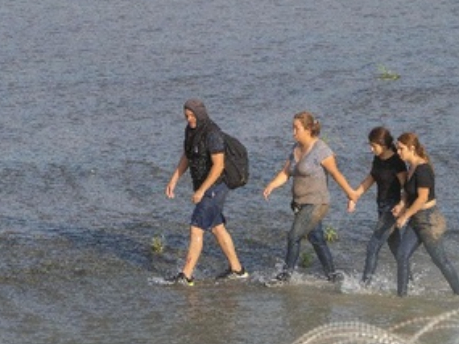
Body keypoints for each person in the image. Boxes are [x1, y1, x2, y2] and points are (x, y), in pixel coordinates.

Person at [262, 111, 358, 283]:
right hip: (299, 203)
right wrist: (272, 185)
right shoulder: (295, 148)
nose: (293, 132)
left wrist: (351, 194)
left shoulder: (321, 150)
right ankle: (333, 276)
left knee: (294, 236)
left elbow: (336, 174)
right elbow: (286, 172)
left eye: (296, 128)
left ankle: (285, 276)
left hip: (317, 203)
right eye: (292, 128)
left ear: (308, 129)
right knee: (317, 238)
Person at [164, 98, 248, 286]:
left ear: (200, 114)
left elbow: (218, 166)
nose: (189, 119)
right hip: (204, 186)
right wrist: (174, 179)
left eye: (192, 115)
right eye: (186, 116)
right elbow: (187, 156)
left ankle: (186, 275)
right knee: (217, 227)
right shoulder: (190, 131)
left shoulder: (212, 134)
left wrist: (201, 191)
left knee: (196, 227)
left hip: (216, 186)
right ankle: (238, 270)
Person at [392, 131, 459, 296]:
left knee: (440, 261)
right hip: (416, 219)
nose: (398, 152)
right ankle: (401, 297)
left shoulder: (423, 169)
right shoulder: (411, 167)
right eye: (397, 148)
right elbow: (408, 193)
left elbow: (422, 198)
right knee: (402, 255)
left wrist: (405, 216)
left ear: (411, 148)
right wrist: (401, 205)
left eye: (401, 149)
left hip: (429, 221)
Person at [348, 126, 407, 286]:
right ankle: (409, 282)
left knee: (373, 246)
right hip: (381, 208)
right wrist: (354, 197)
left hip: (392, 209)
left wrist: (402, 206)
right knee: (397, 249)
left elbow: (406, 187)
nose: (371, 149)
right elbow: (370, 179)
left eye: (373, 146)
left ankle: (364, 285)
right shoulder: (378, 159)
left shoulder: (397, 162)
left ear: (384, 144)